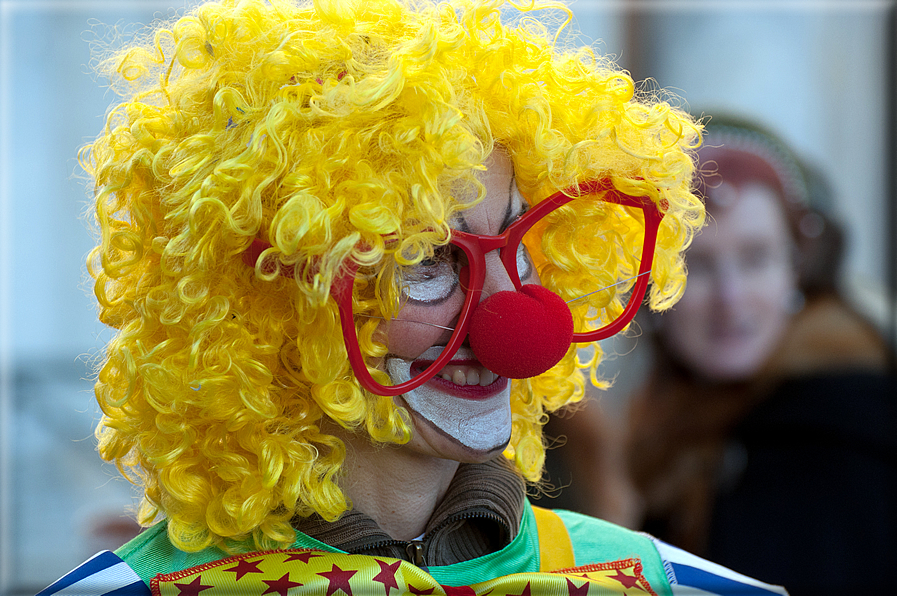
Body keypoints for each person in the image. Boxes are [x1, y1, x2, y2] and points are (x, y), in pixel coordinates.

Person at [38, 3, 790, 595]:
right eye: (428, 258)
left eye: (522, 248)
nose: (513, 323)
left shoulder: (659, 585)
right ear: (269, 300)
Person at [548, 115, 896, 595]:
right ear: (654, 289)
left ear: (796, 270)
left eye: (756, 259)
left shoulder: (842, 434)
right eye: (697, 265)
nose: (730, 299)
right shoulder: (665, 426)